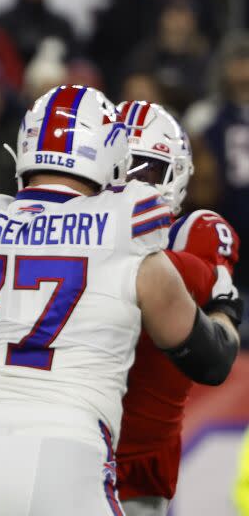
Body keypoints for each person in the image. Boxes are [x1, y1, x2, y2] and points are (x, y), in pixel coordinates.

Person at [0, 84, 242, 515]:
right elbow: (212, 357)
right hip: (68, 453)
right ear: (109, 157)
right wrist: (223, 301)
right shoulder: (128, 224)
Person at [115, 101, 241, 516]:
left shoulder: (192, 235)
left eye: (144, 170)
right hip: (76, 447)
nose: (127, 183)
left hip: (136, 468)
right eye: (118, 166)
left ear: (177, 176)